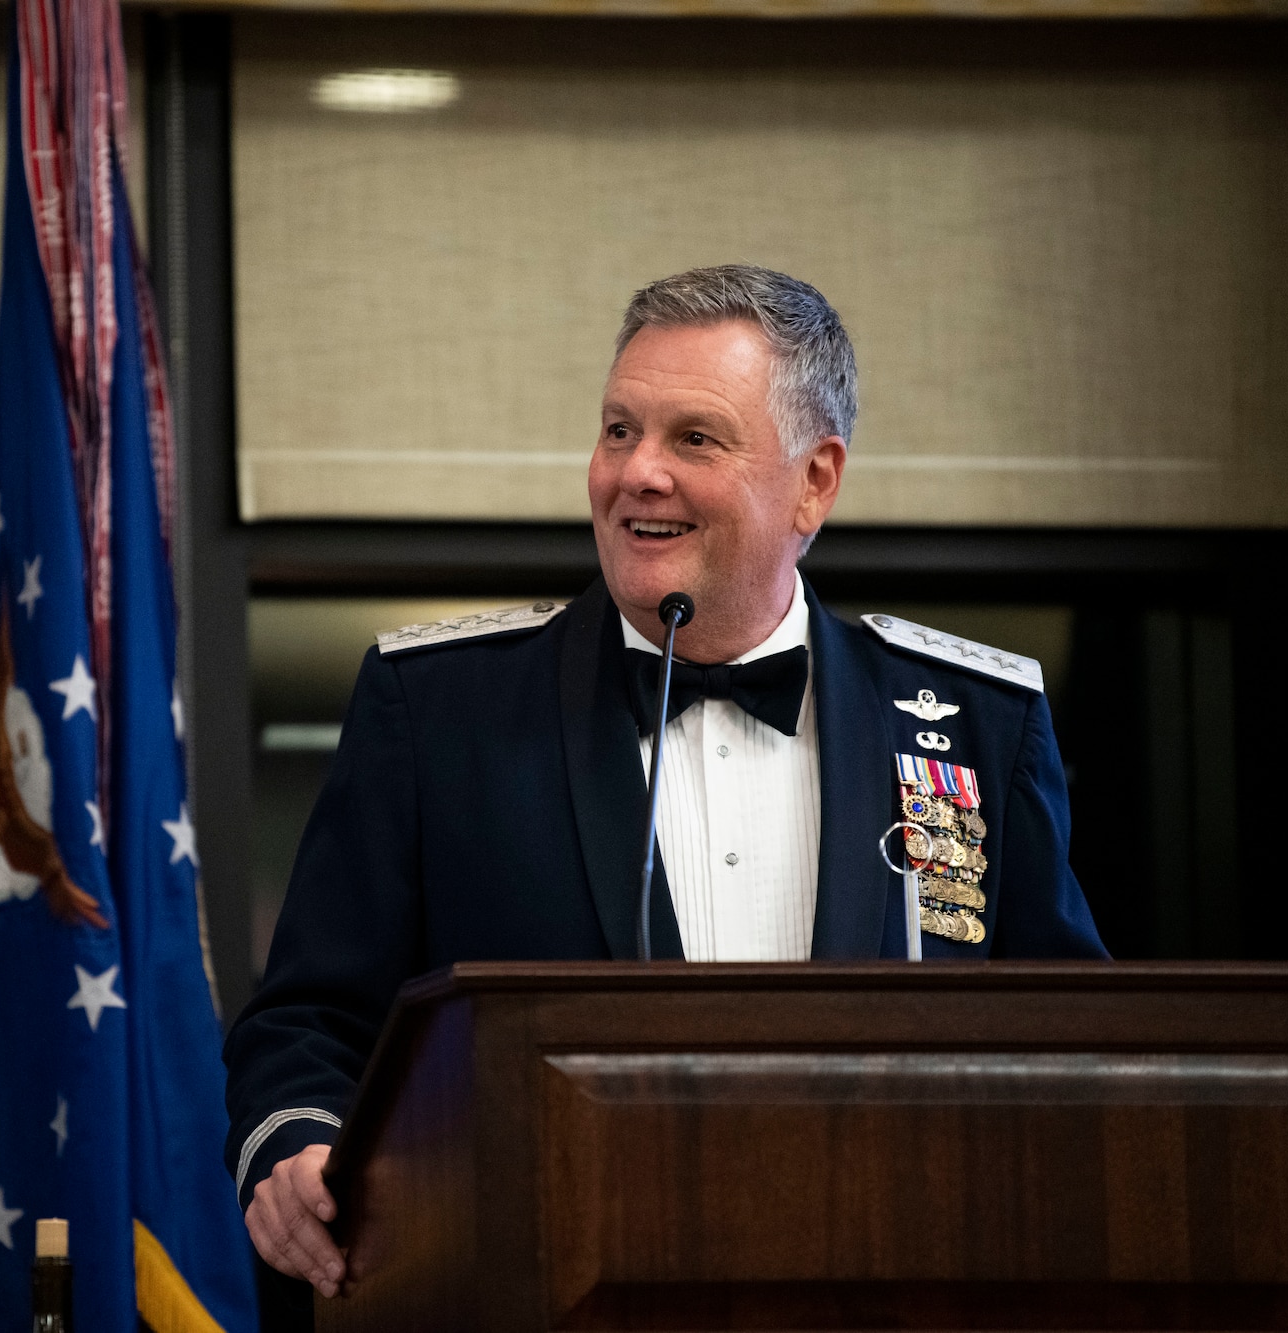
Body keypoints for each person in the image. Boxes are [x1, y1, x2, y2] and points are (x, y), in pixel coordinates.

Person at [223, 264, 1106, 1312]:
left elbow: (1074, 1044)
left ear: (813, 482)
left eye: (694, 437)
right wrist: (295, 1148)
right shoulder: (438, 710)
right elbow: (308, 1021)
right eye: (616, 431)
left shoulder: (971, 723)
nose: (635, 472)